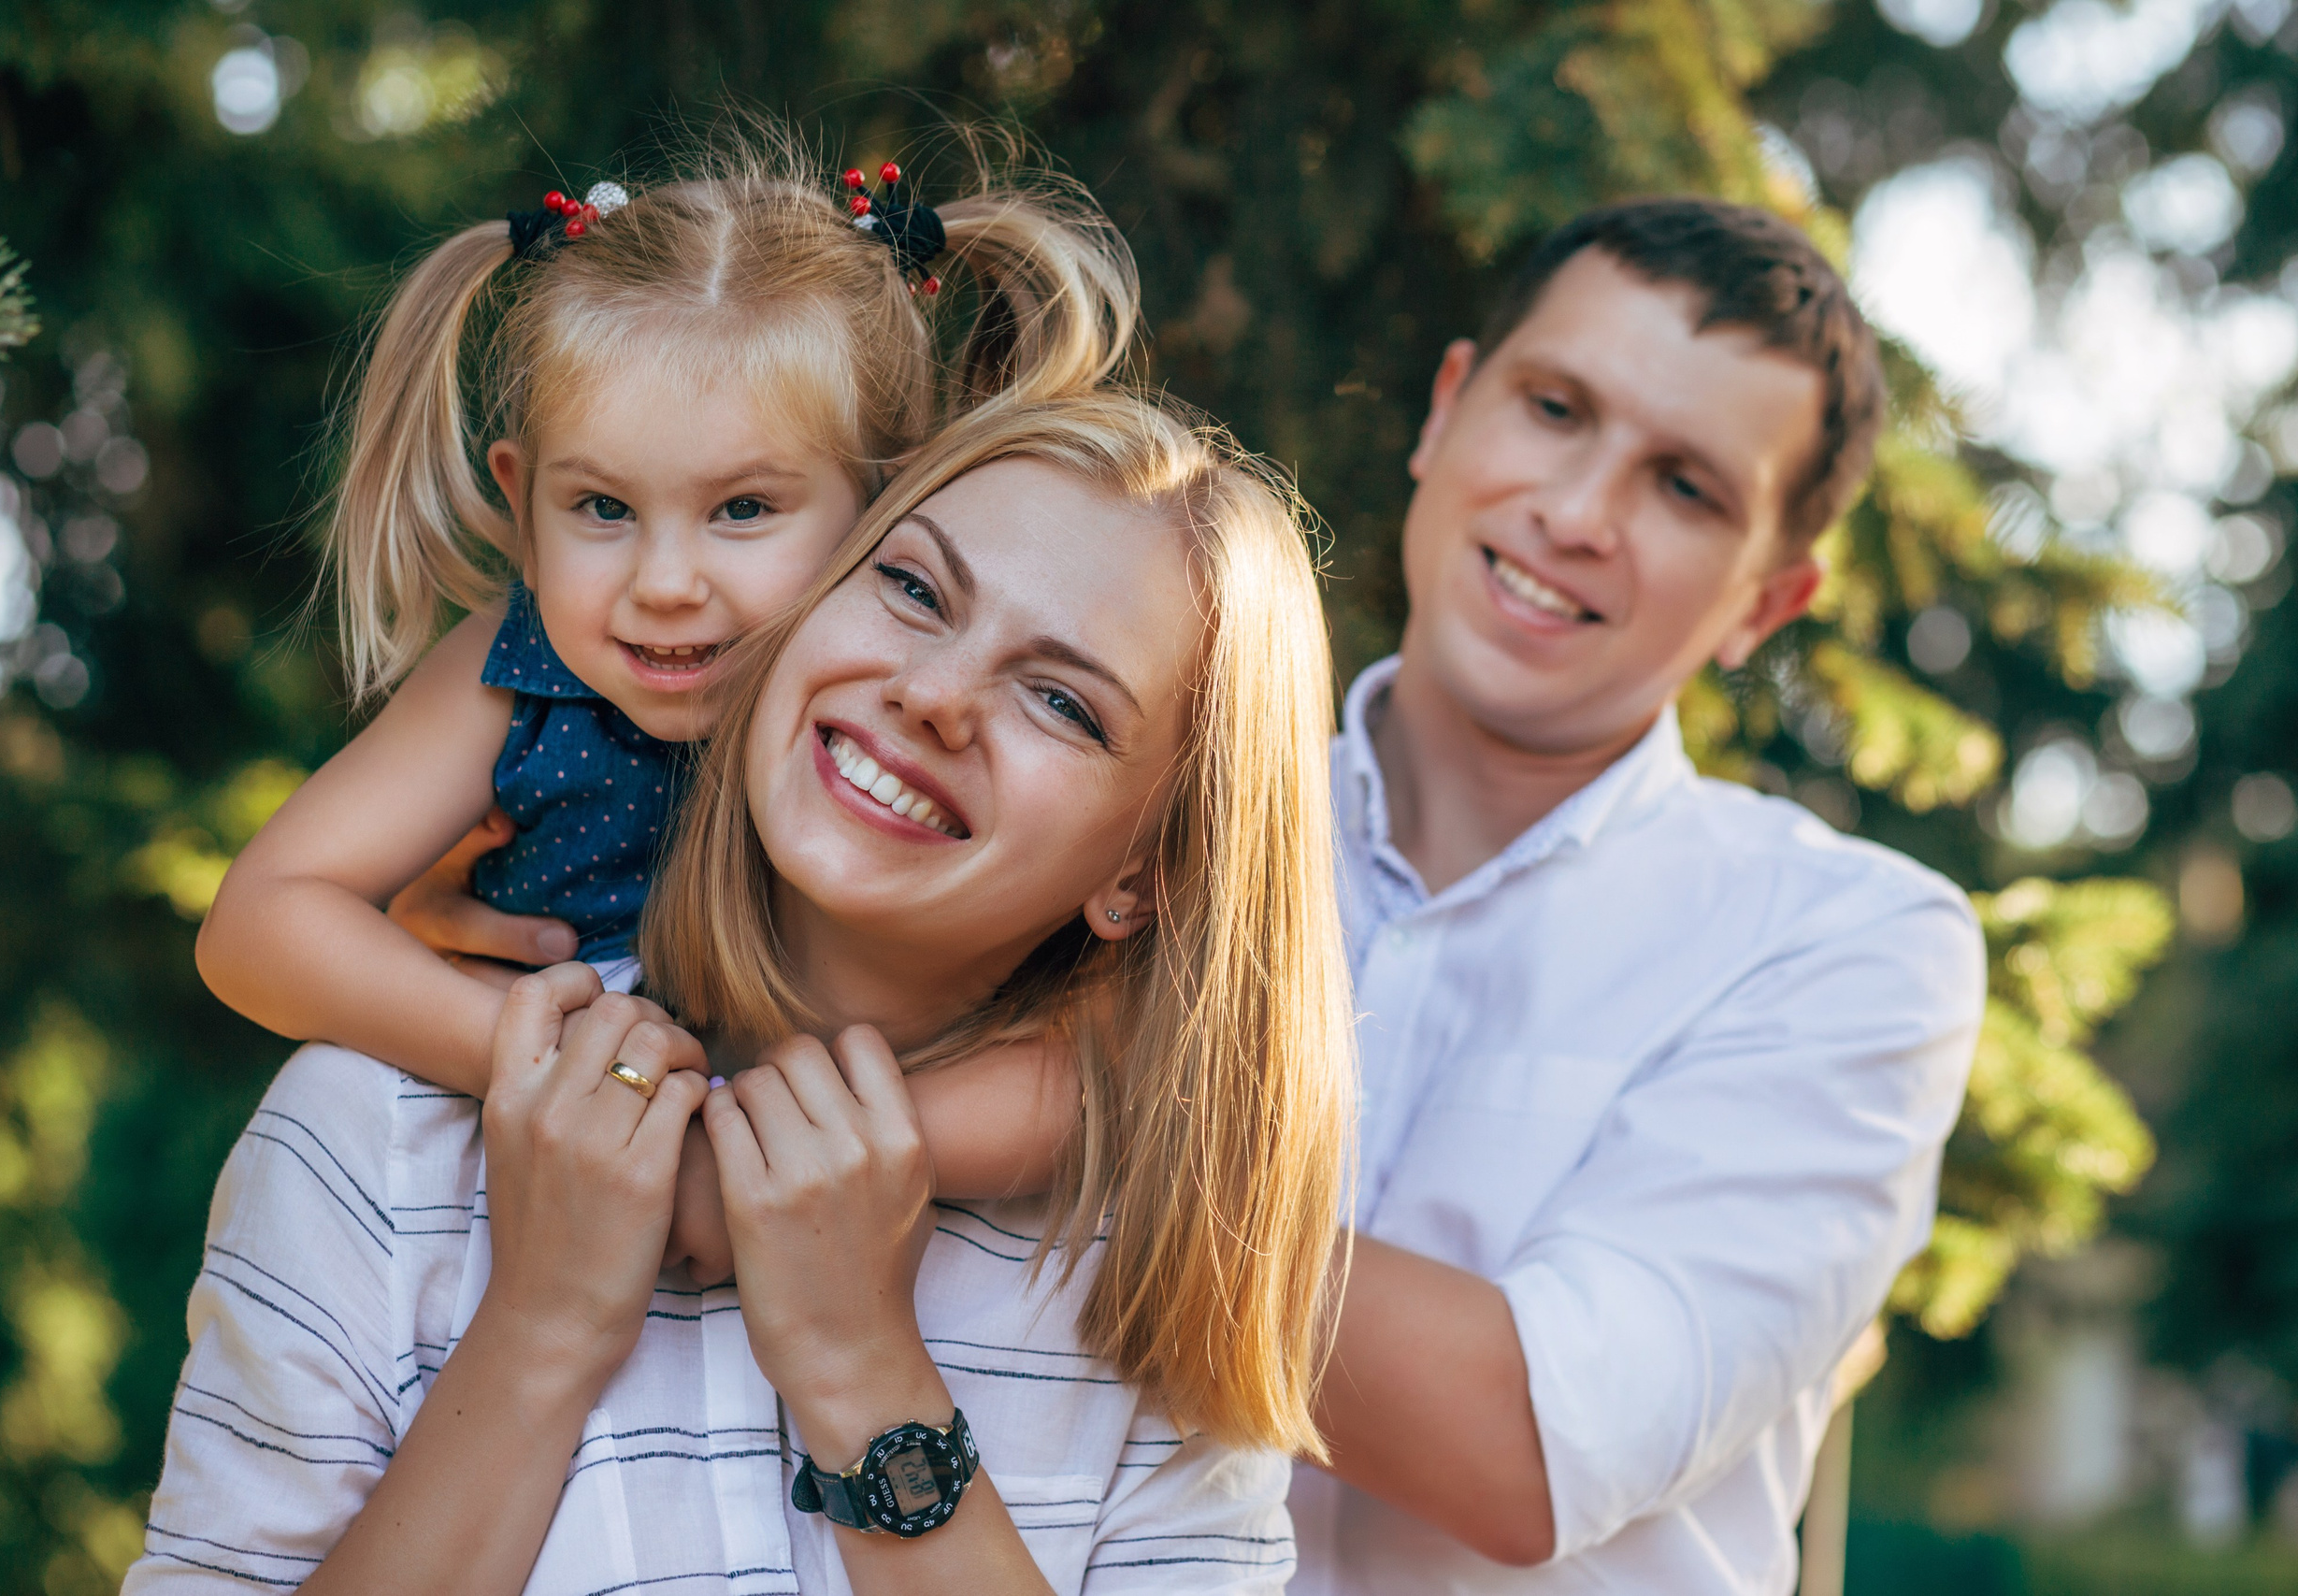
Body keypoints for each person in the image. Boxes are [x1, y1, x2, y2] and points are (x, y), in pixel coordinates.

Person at [129, 389, 1355, 1593]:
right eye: (915, 587)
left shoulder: (1155, 1269)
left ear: (1146, 869)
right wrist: (539, 1333)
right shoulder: (376, 1133)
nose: (935, 693)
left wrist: (862, 1373)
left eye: (1062, 701)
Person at [194, 130, 1137, 1271]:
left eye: (742, 510)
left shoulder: (905, 716)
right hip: (520, 1193)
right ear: (521, 499)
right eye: (600, 508)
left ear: (891, 500)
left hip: (835, 1167)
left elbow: (1104, 1060)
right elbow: (258, 925)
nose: (665, 584)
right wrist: (545, 1057)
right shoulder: (521, 664)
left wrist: (770, 1164)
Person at [1289, 198, 1986, 1593]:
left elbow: (1530, 1443)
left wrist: (1063, 1135)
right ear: (1445, 411)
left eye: (1685, 487)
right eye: (1554, 409)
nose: (1577, 513)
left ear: (1763, 604)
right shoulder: (1155, 823)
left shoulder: (1849, 944)